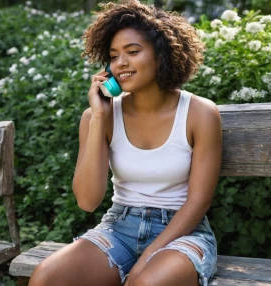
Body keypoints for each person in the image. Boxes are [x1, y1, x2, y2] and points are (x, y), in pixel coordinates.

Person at [29, 1, 222, 285]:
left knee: (145, 283)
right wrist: (98, 118)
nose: (120, 63)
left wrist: (149, 256)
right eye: (114, 55)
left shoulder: (200, 113)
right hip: (119, 227)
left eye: (132, 52)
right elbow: (87, 201)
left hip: (182, 232)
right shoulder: (100, 116)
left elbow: (198, 202)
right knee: (45, 278)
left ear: (162, 53)